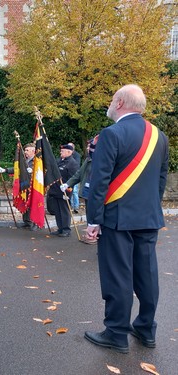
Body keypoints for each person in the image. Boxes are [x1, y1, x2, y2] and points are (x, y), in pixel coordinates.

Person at [84, 84, 169, 354]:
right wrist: (150, 208)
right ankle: (146, 329)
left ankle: (116, 333)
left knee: (118, 276)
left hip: (117, 219)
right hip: (148, 217)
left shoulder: (112, 134)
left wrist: (93, 220)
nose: (110, 103)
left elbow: (99, 183)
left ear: (120, 102)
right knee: (147, 275)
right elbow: (161, 180)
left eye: (112, 99)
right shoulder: (160, 136)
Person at [60, 137, 98, 244]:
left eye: (90, 146)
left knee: (96, 215)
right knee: (90, 214)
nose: (87, 148)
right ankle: (91, 235)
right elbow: (79, 174)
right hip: (87, 191)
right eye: (88, 146)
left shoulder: (102, 159)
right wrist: (67, 184)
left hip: (97, 192)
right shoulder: (88, 159)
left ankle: (96, 236)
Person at [0, 143, 37, 230]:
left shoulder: (37, 161)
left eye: (27, 150)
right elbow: (17, 169)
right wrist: (5, 170)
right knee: (25, 203)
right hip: (24, 186)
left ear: (33, 151)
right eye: (25, 150)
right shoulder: (24, 161)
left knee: (32, 205)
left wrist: (34, 171)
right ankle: (27, 222)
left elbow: (42, 172)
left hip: (33, 187)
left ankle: (35, 223)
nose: (25, 152)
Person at [47, 144, 79, 237]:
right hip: (55, 190)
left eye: (63, 151)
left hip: (64, 191)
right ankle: (60, 228)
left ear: (69, 152)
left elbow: (73, 179)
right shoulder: (59, 161)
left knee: (64, 211)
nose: (60, 152)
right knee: (57, 210)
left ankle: (66, 229)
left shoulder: (73, 163)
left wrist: (68, 193)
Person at [68, 142, 81, 213]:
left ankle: (76, 207)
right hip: (69, 176)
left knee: (75, 192)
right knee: (69, 191)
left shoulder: (77, 155)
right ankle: (71, 206)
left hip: (75, 175)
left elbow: (76, 165)